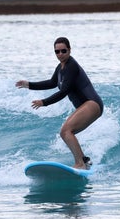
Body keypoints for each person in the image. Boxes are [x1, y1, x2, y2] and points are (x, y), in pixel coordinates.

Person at [16, 37, 103, 169]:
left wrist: (44, 102)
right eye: (57, 52)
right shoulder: (61, 67)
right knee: (66, 132)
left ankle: (80, 163)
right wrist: (29, 85)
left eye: (63, 51)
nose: (60, 54)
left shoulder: (71, 66)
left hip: (92, 104)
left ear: (69, 50)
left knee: (66, 131)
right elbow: (52, 83)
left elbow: (63, 92)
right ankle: (83, 160)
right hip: (87, 106)